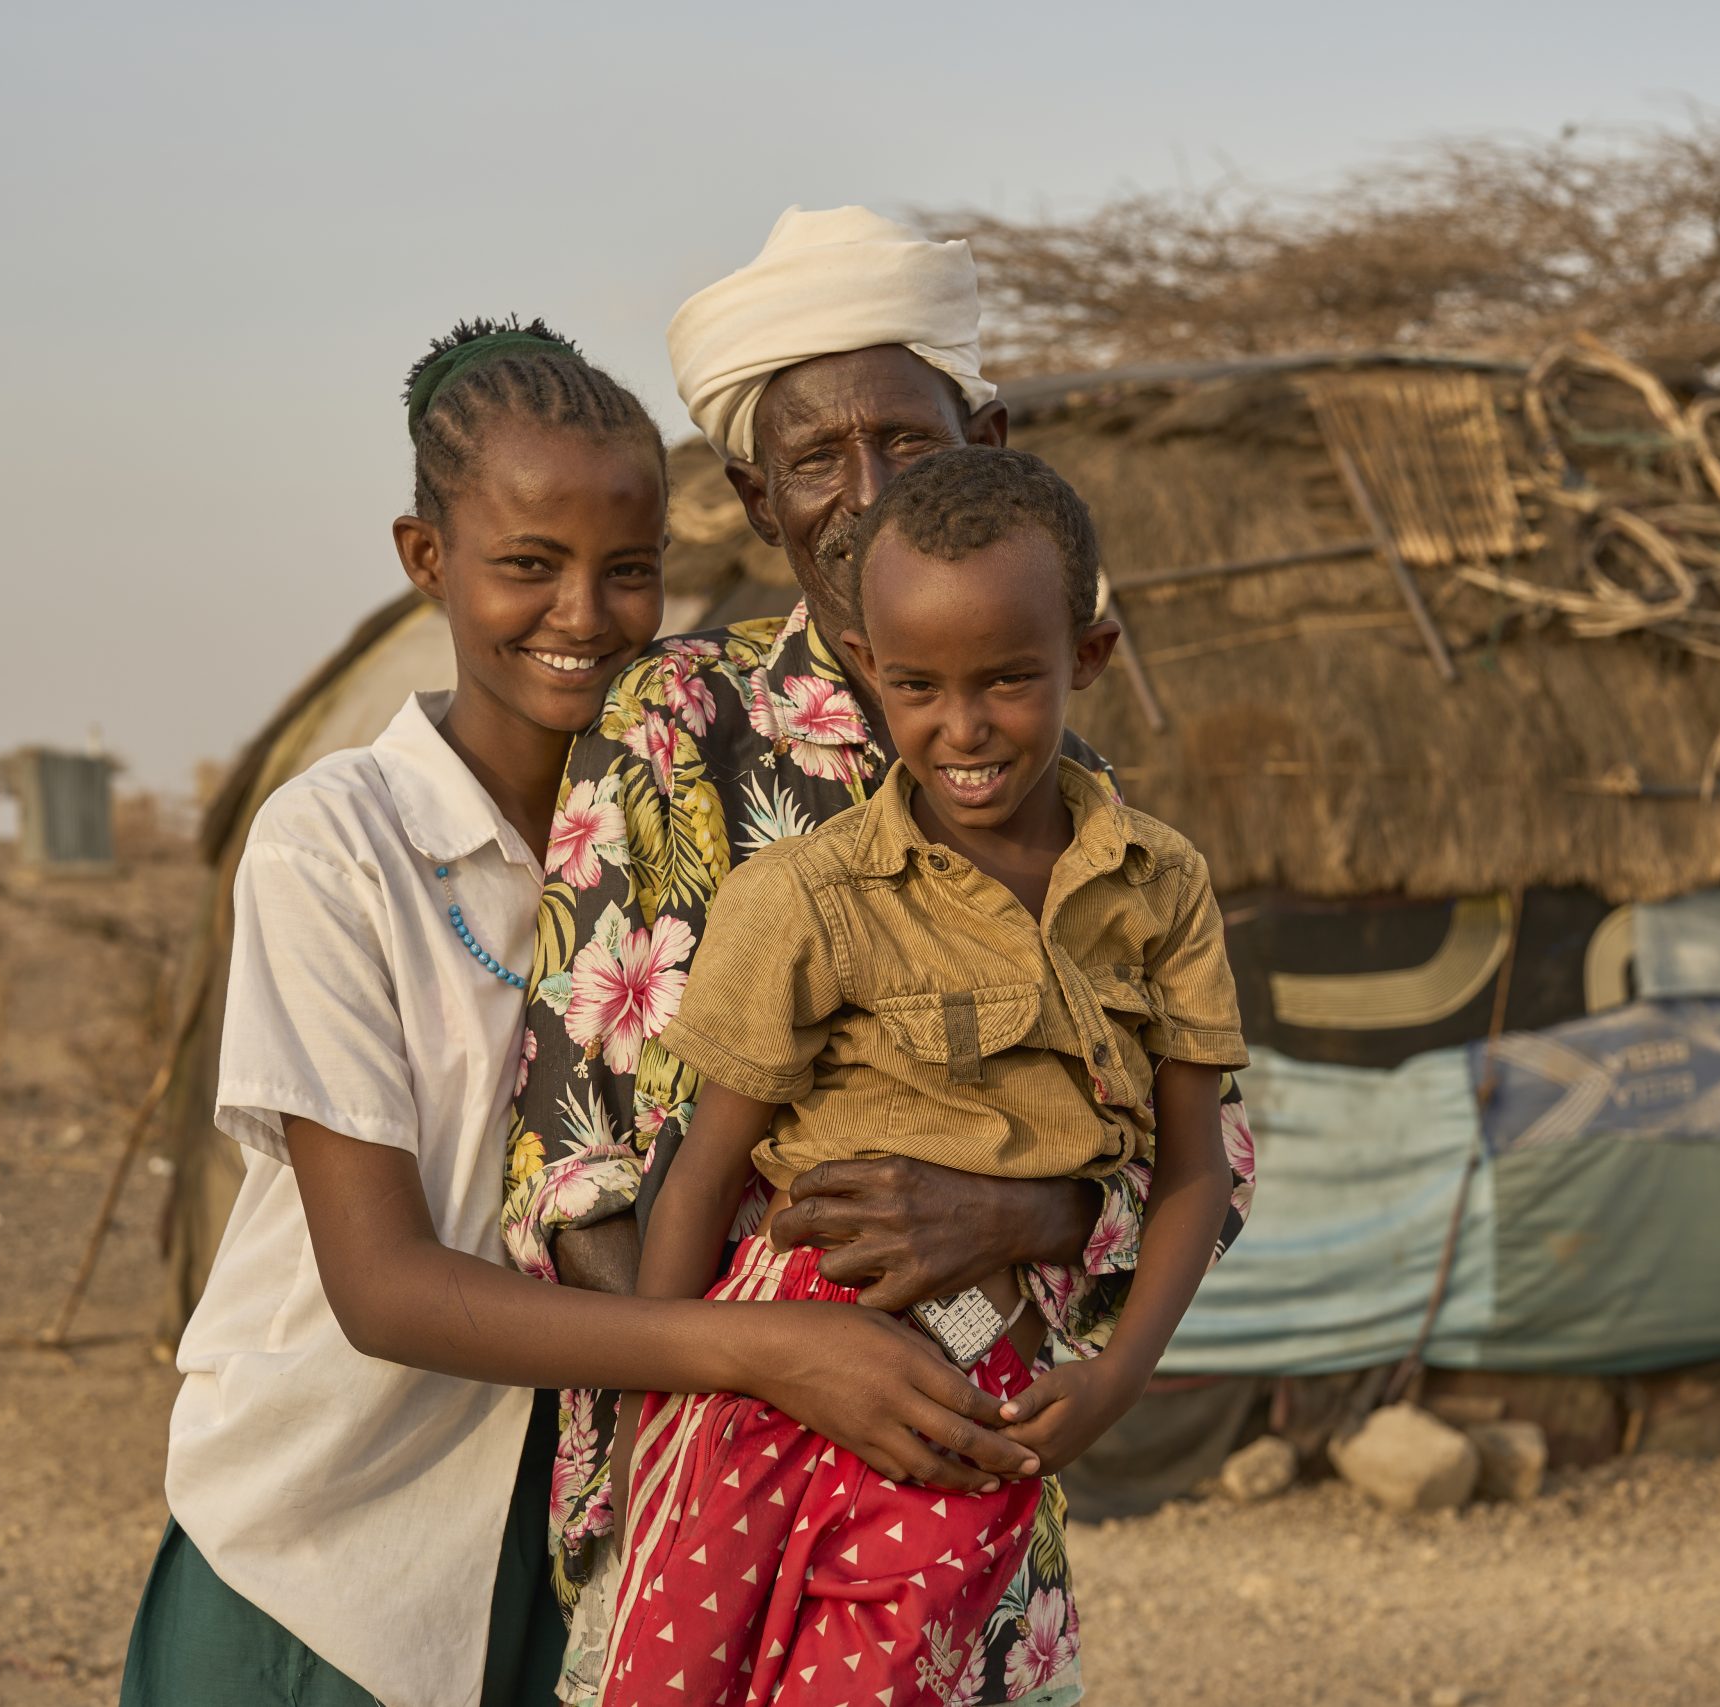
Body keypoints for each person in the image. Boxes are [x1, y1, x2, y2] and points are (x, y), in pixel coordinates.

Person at [118, 320, 1037, 1707]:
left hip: (574, 1535)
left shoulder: (709, 820)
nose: (582, 616)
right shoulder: (342, 846)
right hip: (320, 1551)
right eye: (527, 567)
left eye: (628, 572)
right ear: (427, 562)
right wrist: (768, 1351)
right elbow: (382, 1287)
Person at [505, 207, 1258, 1707]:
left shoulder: (1082, 810)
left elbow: (1202, 1163)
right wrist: (769, 1365)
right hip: (718, 1472)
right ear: (754, 496)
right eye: (813, 461)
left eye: (907, 447)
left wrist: (1024, 1211)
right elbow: (578, 1161)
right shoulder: (679, 729)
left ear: (979, 438)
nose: (862, 500)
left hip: (969, 1471)